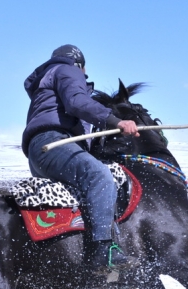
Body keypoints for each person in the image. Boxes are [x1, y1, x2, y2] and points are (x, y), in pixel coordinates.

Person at [21, 44, 139, 274]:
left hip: (42, 151)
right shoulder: (67, 70)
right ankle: (103, 250)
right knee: (99, 176)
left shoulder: (47, 79)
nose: (84, 76)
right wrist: (116, 121)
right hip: (54, 142)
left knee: (86, 187)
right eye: (84, 71)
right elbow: (76, 102)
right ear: (80, 65)